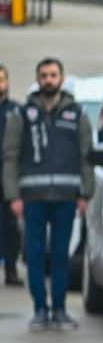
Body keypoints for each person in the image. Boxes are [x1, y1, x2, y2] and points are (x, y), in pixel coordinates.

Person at [2, 58, 91, 331]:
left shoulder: (77, 114)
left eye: (53, 75)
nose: (48, 80)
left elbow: (86, 156)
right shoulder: (22, 115)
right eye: (44, 76)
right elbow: (10, 156)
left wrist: (85, 193)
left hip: (66, 197)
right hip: (33, 197)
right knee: (35, 255)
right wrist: (13, 195)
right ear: (38, 79)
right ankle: (40, 309)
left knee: (61, 255)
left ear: (61, 79)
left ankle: (60, 309)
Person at [0, 64, 23, 285]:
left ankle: (10, 268)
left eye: (2, 79)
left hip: (9, 177)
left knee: (10, 226)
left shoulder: (16, 111)